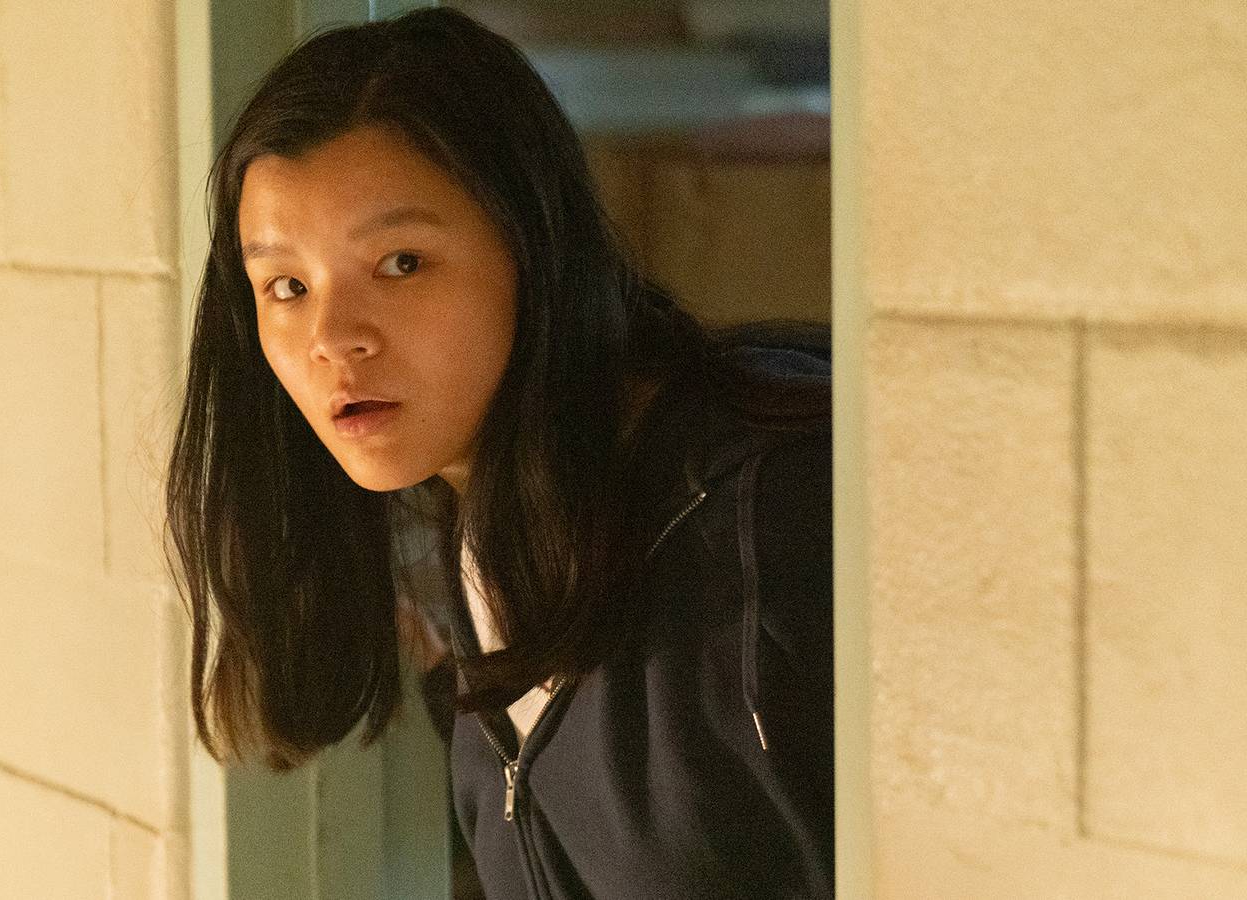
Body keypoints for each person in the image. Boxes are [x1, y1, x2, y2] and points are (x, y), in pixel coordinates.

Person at [164, 7, 833, 898]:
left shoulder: (774, 524)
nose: (331, 337)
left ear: (533, 247)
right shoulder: (466, 538)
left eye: (401, 263)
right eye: (286, 286)